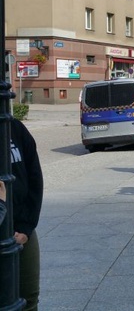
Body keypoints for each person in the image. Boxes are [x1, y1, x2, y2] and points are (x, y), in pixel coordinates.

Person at [9, 118, 44, 310]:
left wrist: (25, 227)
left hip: (22, 230)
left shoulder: (14, 128)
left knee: (29, 298)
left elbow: (34, 177)